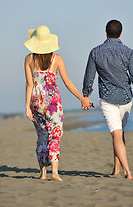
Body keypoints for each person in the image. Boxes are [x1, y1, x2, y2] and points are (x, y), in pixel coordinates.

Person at [24, 25, 92, 181]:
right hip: (53, 102)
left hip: (36, 102)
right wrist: (82, 98)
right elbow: (67, 82)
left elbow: (29, 84)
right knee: (54, 135)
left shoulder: (29, 59)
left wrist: (27, 107)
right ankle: (54, 172)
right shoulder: (57, 59)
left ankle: (42, 173)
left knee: (41, 136)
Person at [82, 20, 133, 180]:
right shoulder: (129, 52)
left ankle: (127, 172)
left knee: (116, 135)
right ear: (121, 33)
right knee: (118, 134)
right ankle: (116, 170)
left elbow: (89, 76)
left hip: (108, 98)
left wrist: (85, 94)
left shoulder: (95, 52)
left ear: (105, 32)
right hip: (126, 98)